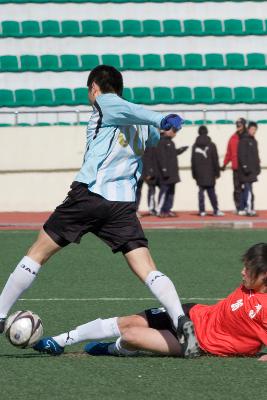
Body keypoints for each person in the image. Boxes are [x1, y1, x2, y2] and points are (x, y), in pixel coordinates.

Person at [0, 65, 200, 357]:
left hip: (90, 194)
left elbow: (126, 109)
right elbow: (154, 135)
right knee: (146, 267)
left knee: (38, 250)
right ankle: (179, 319)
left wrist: (160, 118)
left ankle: (1, 313)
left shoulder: (104, 102)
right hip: (122, 206)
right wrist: (161, 124)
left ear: (94, 87)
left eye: (90, 91)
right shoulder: (141, 125)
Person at [34, 243, 267, 361]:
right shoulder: (250, 287)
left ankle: (115, 350)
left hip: (197, 343)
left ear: (264, 276)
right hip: (190, 314)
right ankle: (60, 340)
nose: (242, 272)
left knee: (130, 335)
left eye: (248, 269)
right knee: (129, 321)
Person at [191, 125, 224, 217]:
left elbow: (193, 161)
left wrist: (194, 174)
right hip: (210, 173)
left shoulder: (194, 146)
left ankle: (202, 211)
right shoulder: (212, 145)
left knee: (201, 193)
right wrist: (217, 173)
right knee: (212, 193)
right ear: (207, 132)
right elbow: (215, 160)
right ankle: (216, 210)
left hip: (199, 174)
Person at [156, 129, 188, 217]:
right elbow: (161, 157)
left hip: (173, 172)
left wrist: (181, 150)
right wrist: (164, 170)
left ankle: (167, 209)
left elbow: (172, 154)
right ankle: (160, 210)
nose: (175, 133)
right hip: (166, 173)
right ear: (166, 131)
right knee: (164, 191)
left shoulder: (170, 142)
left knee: (171, 192)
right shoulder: (161, 142)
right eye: (173, 131)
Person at [222, 118, 247, 213]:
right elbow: (229, 153)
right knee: (237, 189)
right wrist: (224, 164)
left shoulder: (247, 137)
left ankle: (245, 207)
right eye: (237, 124)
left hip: (246, 168)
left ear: (244, 125)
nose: (238, 126)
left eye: (239, 124)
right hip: (236, 167)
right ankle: (239, 207)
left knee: (246, 188)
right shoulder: (233, 138)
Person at [238, 121, 261, 216]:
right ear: (248, 129)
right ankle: (249, 209)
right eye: (252, 129)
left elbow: (256, 156)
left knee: (247, 190)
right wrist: (245, 167)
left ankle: (242, 208)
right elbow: (241, 155)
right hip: (246, 171)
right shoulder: (244, 140)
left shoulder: (254, 141)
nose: (254, 131)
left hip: (252, 170)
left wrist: (258, 167)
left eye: (255, 130)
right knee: (248, 190)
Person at [136, 146, 159, 216]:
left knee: (151, 190)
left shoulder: (150, 144)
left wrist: (150, 172)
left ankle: (151, 209)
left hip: (148, 172)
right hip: (139, 172)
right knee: (137, 192)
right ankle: (135, 210)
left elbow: (150, 158)